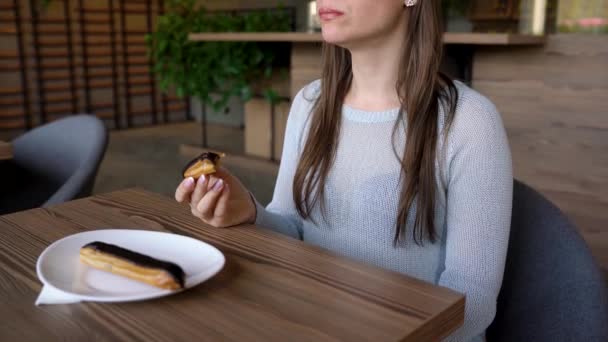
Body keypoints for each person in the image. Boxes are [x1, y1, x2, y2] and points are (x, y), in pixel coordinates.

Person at [175, 0, 513, 340]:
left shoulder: (469, 122)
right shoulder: (310, 104)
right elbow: (292, 229)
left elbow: (474, 303)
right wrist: (248, 212)